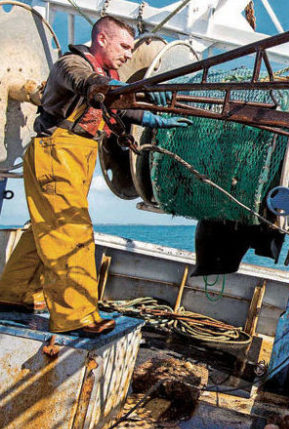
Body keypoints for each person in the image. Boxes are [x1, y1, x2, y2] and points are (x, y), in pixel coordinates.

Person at [0, 16, 191, 334]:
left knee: (43, 228)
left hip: (77, 155)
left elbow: (118, 107)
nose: (130, 55)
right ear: (102, 39)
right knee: (69, 229)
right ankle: (75, 317)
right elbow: (88, 85)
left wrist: (151, 118)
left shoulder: (107, 76)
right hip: (55, 150)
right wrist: (131, 88)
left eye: (132, 49)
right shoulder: (71, 64)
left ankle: (12, 295)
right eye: (125, 47)